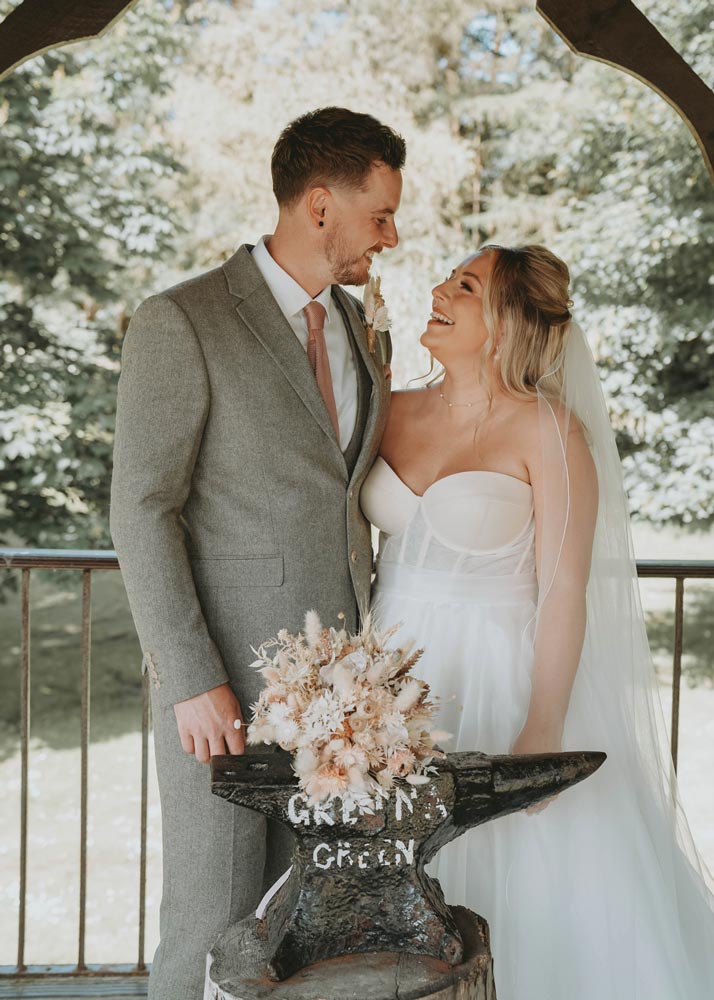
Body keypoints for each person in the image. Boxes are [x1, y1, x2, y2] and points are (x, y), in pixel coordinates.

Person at [361, 244, 714, 999]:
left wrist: (542, 727)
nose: (438, 288)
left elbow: (562, 592)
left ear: (508, 322)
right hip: (391, 688)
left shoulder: (549, 430)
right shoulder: (387, 406)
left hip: (503, 679)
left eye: (464, 284)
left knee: (526, 880)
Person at [110, 106, 403, 1000]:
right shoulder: (183, 320)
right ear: (319, 206)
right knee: (214, 920)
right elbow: (142, 509)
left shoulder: (363, 328)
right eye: (381, 215)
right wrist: (191, 676)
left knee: (306, 928)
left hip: (343, 704)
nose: (391, 236)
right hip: (225, 690)